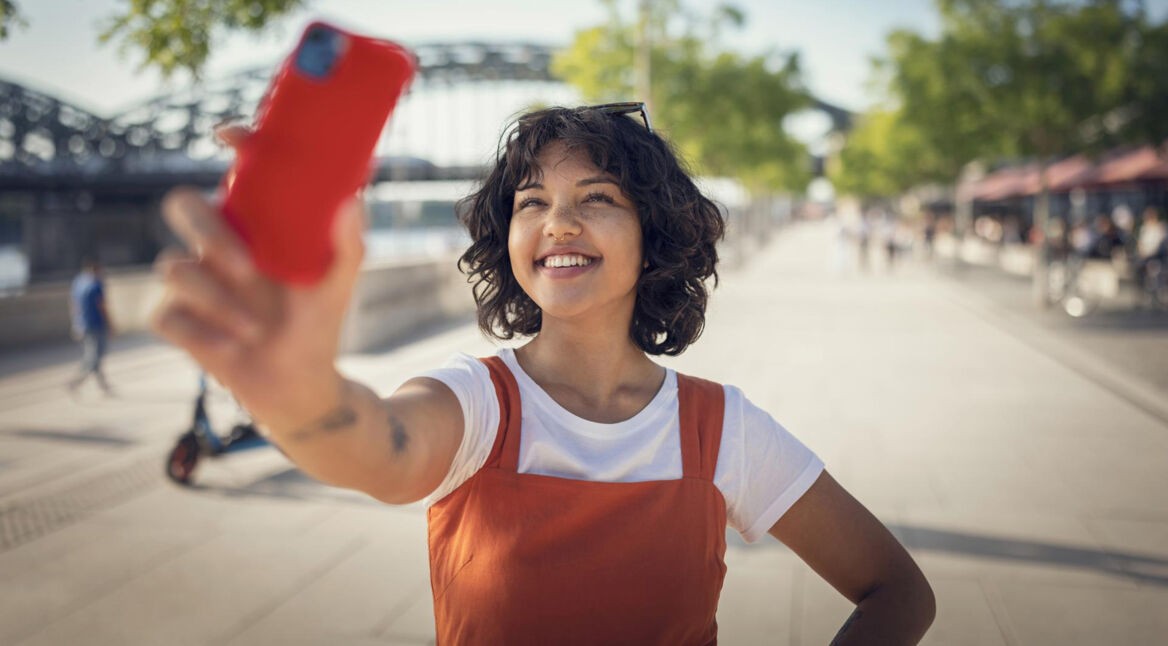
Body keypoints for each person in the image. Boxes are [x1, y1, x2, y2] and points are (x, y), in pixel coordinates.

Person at [152, 104, 935, 644]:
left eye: (596, 198)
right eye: (533, 202)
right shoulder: (476, 403)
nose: (559, 222)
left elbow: (899, 593)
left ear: (653, 238)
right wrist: (299, 394)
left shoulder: (722, 430)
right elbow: (377, 448)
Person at [68, 257, 115, 395]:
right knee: (95, 357)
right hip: (96, 324)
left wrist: (76, 323)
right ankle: (76, 382)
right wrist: (111, 324)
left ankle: (103, 385)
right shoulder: (96, 284)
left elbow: (74, 304)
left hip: (83, 324)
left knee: (93, 355)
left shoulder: (78, 282)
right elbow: (102, 306)